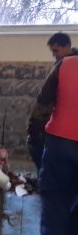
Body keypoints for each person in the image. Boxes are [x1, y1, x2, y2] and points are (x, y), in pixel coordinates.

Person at [27, 55, 78, 235]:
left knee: (55, 191)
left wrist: (34, 130)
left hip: (60, 140)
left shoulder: (66, 65)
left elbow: (44, 103)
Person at [27, 32, 78, 172]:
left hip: (63, 134)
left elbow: (45, 101)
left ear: (67, 47)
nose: (54, 55)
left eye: (56, 50)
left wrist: (33, 127)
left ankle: (43, 176)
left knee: (36, 144)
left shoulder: (63, 66)